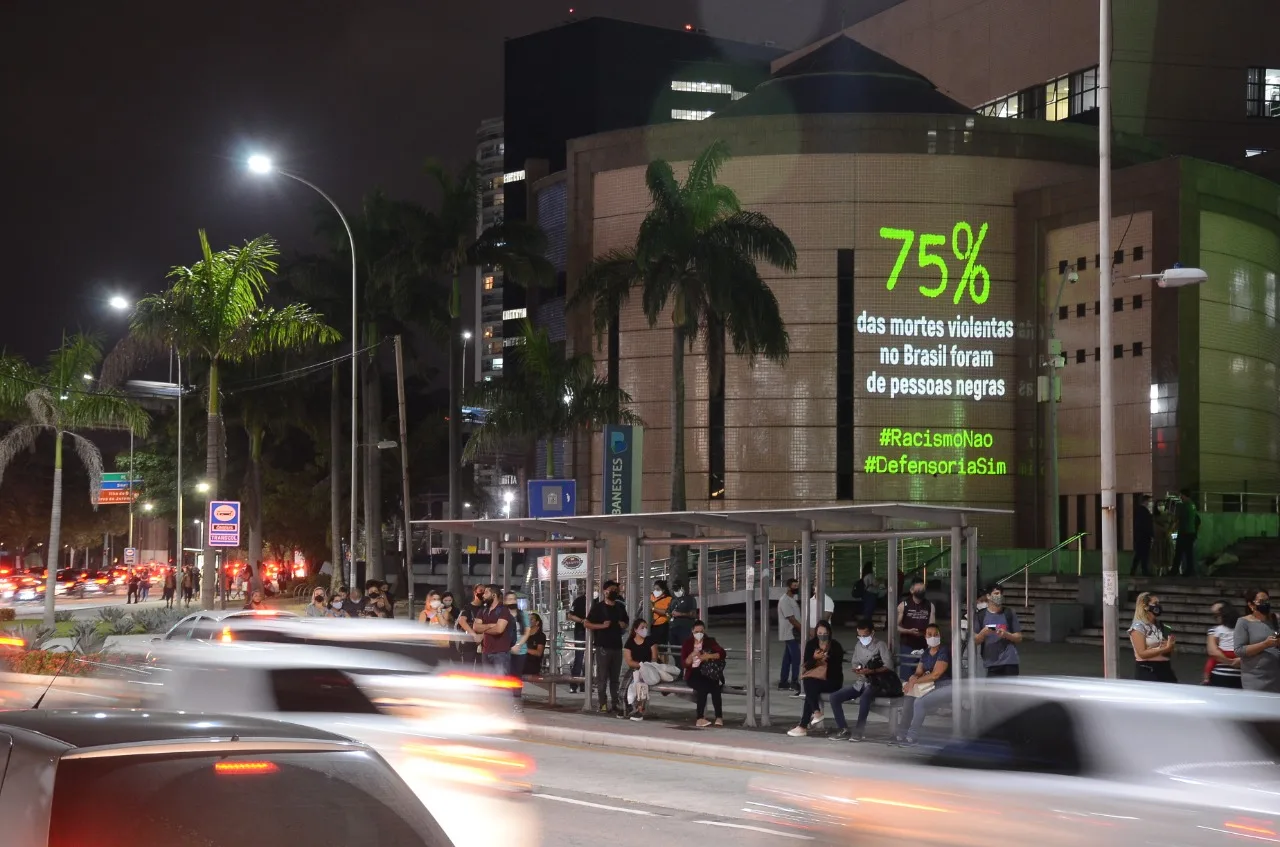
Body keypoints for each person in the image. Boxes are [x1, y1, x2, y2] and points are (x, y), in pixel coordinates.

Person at [827, 619, 896, 741]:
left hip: (877, 682)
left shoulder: (880, 645)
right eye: (860, 635)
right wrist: (858, 670)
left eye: (865, 635)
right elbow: (855, 663)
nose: (862, 638)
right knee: (834, 697)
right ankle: (843, 729)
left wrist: (872, 671)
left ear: (872, 633)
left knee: (865, 697)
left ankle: (859, 730)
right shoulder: (858, 646)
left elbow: (889, 666)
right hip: (862, 681)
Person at [896, 623, 952, 745]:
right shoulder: (926, 653)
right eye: (930, 635)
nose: (933, 637)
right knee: (909, 698)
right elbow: (919, 671)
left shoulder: (943, 651)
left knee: (919, 702)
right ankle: (902, 731)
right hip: (927, 685)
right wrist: (912, 679)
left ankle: (912, 734)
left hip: (944, 685)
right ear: (925, 637)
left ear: (940, 636)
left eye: (935, 634)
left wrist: (915, 681)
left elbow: (936, 675)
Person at [788, 620, 845, 738]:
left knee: (810, 689)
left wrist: (826, 658)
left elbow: (837, 669)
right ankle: (814, 714)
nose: (822, 635)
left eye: (825, 633)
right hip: (815, 678)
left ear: (829, 633)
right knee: (810, 684)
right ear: (816, 633)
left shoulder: (835, 646)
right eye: (820, 633)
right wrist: (815, 658)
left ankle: (805, 724)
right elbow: (807, 666)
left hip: (832, 680)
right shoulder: (811, 644)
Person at [586, 579, 630, 715]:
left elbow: (626, 622)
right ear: (605, 591)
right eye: (612, 589)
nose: (614, 592)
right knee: (602, 677)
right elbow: (587, 623)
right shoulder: (598, 608)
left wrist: (624, 625)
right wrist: (601, 626)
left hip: (617, 646)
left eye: (616, 590)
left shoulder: (620, 607)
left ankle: (615, 703)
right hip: (603, 647)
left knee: (615, 678)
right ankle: (602, 703)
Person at [1234, 588, 1280, 692]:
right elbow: (1239, 650)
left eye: (1267, 601)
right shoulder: (1243, 622)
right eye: (1262, 601)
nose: (1266, 604)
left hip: (1276, 676)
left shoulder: (1274, 619)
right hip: (1255, 678)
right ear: (1251, 605)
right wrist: (1265, 644)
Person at [681, 620, 725, 727]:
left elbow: (722, 653)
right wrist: (691, 656)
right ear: (692, 631)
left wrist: (708, 656)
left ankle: (719, 717)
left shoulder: (709, 641)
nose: (699, 634)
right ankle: (700, 718)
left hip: (707, 671)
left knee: (715, 688)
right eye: (696, 631)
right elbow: (684, 664)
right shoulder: (687, 643)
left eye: (701, 631)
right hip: (693, 673)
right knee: (702, 688)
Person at [973, 584, 1022, 676]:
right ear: (988, 596)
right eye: (996, 593)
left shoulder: (1009, 613)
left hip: (1010, 661)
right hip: (991, 662)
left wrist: (1006, 634)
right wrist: (983, 633)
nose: (999, 596)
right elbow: (976, 640)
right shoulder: (981, 616)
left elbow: (1019, 637)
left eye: (1000, 594)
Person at [1128, 591, 1176, 682]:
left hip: (1165, 668)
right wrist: (1164, 649)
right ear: (1145, 606)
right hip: (1148, 669)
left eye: (1159, 603)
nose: (1158, 606)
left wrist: (1171, 646)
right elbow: (1142, 653)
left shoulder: (1161, 625)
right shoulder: (1138, 627)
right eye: (1155, 603)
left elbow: (1169, 650)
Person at [472, 583, 516, 677]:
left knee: (501, 685)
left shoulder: (504, 610)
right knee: (489, 685)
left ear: (494, 595)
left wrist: (483, 629)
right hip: (486, 652)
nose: (483, 595)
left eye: (486, 593)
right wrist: (491, 625)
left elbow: (499, 630)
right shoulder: (483, 610)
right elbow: (475, 627)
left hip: (501, 653)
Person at [896, 576, 935, 681]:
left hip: (924, 643)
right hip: (907, 643)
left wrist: (928, 637)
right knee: (907, 672)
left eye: (922, 590)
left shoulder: (930, 605)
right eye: (918, 590)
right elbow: (895, 626)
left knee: (923, 671)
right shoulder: (903, 605)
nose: (921, 592)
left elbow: (932, 626)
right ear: (911, 590)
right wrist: (908, 631)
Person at [623, 619, 655, 720]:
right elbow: (629, 661)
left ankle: (639, 710)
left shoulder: (650, 641)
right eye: (642, 627)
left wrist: (645, 667)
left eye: (646, 627)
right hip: (634, 668)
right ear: (635, 629)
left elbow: (654, 658)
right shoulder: (629, 643)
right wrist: (639, 665)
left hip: (648, 669)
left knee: (641, 684)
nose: (645, 630)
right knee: (624, 689)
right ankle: (627, 709)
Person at [1205, 600, 1241, 688]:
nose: (1216, 617)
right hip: (1236, 667)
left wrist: (1229, 662)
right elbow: (1212, 651)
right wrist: (1236, 661)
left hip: (1236, 673)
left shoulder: (1217, 630)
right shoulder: (1243, 627)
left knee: (1211, 661)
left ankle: (1206, 678)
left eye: (1218, 614)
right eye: (1214, 615)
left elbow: (1214, 652)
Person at [777, 578, 802, 694]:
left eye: (797, 586)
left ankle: (783, 682)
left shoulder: (793, 598)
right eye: (794, 586)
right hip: (790, 633)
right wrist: (802, 629)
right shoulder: (785, 600)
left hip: (792, 633)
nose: (796, 588)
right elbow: (791, 618)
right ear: (788, 587)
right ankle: (794, 682)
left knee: (787, 659)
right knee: (796, 658)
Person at [1174, 488, 1200, 577]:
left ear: (1184, 495)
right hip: (1191, 532)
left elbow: (1179, 519)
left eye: (1181, 495)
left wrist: (1172, 528)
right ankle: (1190, 570)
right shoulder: (1193, 505)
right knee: (1189, 553)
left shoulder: (1184, 505)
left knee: (1178, 552)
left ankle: (1175, 571)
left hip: (1184, 532)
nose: (1180, 497)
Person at [567, 589, 589, 692]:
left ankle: (585, 684)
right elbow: (570, 615)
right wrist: (581, 621)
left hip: (594, 632)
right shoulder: (579, 600)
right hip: (581, 631)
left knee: (590, 659)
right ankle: (574, 684)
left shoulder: (598, 601)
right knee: (579, 657)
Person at [668, 580, 698, 650]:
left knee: (686, 650)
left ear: (682, 588)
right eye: (674, 590)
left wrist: (680, 614)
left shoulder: (690, 599)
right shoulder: (673, 600)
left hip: (685, 628)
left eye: (677, 589)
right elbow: (668, 612)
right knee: (675, 651)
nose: (675, 591)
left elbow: (693, 614)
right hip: (673, 629)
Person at [1131, 494, 1154, 577]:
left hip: (1140, 536)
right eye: (1150, 501)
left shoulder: (1139, 510)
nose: (1151, 503)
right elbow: (1147, 525)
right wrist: (1151, 534)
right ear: (1146, 501)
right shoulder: (1144, 511)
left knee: (1139, 554)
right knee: (1144, 554)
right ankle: (1144, 571)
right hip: (1144, 536)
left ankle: (1134, 571)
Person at [650, 580, 672, 650]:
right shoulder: (651, 596)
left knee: (662, 649)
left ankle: (663, 661)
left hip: (663, 625)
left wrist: (653, 608)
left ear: (663, 590)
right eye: (654, 589)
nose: (655, 591)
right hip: (652, 625)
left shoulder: (668, 599)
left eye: (658, 589)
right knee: (653, 648)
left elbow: (667, 612)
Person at [522, 613, 547, 677]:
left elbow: (539, 653)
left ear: (537, 622)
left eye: (531, 619)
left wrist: (525, 649)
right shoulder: (524, 634)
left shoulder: (541, 636)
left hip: (532, 667)